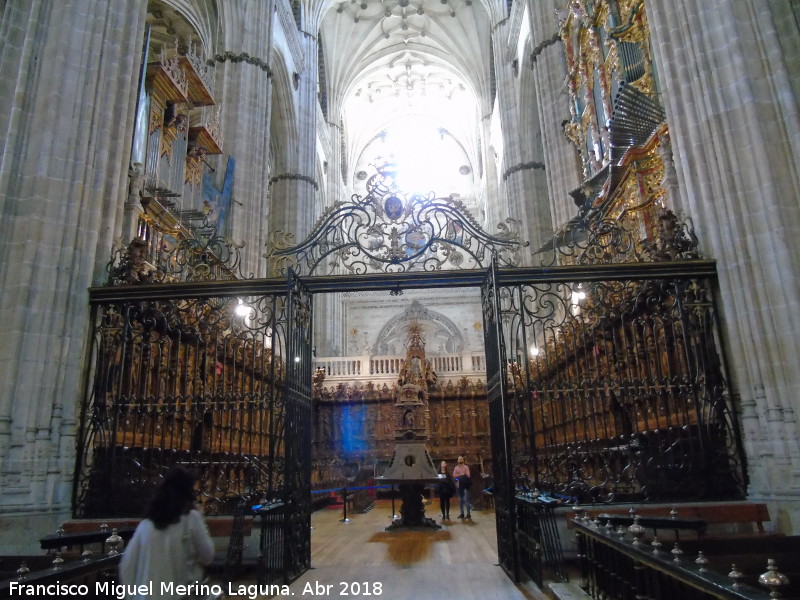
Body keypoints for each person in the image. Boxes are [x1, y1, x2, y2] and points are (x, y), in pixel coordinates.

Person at [119, 467, 214, 600]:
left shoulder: (146, 524)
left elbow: (127, 565)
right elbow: (207, 555)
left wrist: (132, 596)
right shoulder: (191, 518)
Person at [453, 455, 472, 519]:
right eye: (459, 459)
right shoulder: (456, 468)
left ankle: (468, 514)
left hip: (465, 485)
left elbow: (468, 475)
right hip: (458, 485)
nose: (460, 460)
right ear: (457, 461)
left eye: (461, 459)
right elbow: (454, 476)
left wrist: (460, 475)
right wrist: (462, 474)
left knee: (466, 499)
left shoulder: (466, 467)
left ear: (463, 460)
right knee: (460, 500)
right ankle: (462, 513)